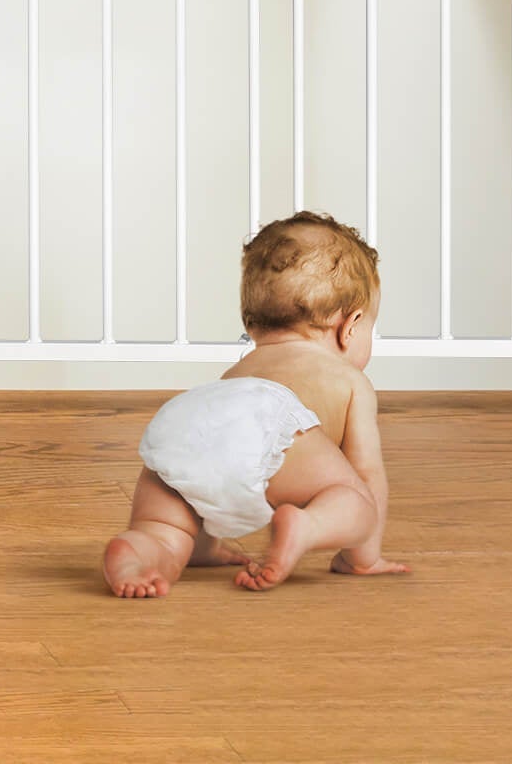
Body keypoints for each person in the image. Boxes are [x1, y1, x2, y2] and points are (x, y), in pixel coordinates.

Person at [103, 210, 409, 596]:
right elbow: (367, 472)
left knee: (166, 527)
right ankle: (306, 526)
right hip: (272, 423)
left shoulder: (241, 369)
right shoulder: (350, 381)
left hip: (186, 418)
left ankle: (142, 550)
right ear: (350, 327)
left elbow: (224, 454)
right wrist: (362, 557)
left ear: (252, 323)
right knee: (357, 500)